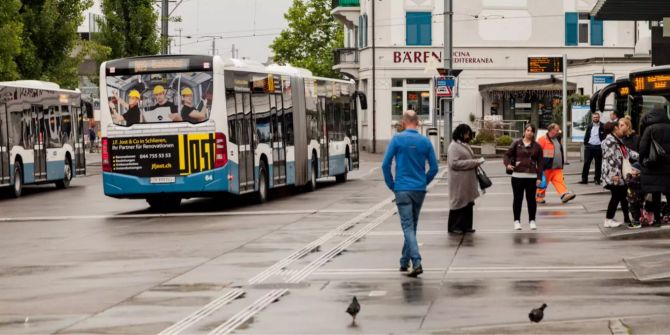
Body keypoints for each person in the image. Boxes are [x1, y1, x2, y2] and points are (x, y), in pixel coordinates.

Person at [382, 110, 438, 278]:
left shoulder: (397, 139)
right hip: (419, 189)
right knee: (412, 226)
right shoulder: (425, 142)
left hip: (402, 188)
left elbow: (385, 165)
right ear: (418, 122)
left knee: (407, 226)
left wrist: (393, 185)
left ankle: (417, 261)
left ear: (404, 122)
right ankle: (404, 261)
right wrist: (424, 182)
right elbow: (434, 168)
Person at [504, 124, 544, 230]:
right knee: (518, 199)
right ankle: (516, 221)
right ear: (524, 131)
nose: (529, 132)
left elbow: (540, 164)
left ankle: (532, 220)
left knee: (531, 200)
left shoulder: (537, 146)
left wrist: (539, 178)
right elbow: (507, 155)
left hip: (532, 177)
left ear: (534, 133)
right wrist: (507, 164)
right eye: (527, 130)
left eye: (531, 131)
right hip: (517, 176)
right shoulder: (517, 143)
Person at [447, 124, 485, 235]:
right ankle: (454, 226)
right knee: (458, 202)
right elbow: (454, 163)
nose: (468, 136)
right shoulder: (453, 146)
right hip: (458, 181)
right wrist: (474, 162)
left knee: (468, 203)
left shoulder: (464, 145)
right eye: (466, 133)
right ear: (460, 133)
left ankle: (466, 226)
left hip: (467, 181)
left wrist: (475, 162)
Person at [601, 118, 639, 228]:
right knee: (616, 196)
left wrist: (640, 156)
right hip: (614, 175)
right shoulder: (609, 141)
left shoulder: (616, 140)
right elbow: (611, 160)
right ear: (615, 129)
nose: (621, 129)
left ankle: (626, 218)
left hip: (618, 175)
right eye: (619, 127)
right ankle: (608, 219)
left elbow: (627, 152)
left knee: (621, 196)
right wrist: (614, 176)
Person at [638, 107, 670, 227]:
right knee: (669, 192)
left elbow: (643, 147)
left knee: (655, 194)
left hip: (653, 166)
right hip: (668, 166)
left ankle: (657, 219)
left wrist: (642, 161)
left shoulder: (649, 129)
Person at [536, 123, 576, 204]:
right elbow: (536, 153)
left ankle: (564, 195)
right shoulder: (542, 139)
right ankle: (539, 197)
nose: (558, 132)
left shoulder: (557, 138)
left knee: (560, 181)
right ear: (551, 130)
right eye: (557, 130)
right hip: (546, 167)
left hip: (557, 167)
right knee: (543, 183)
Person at [580, 112, 605, 184]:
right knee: (586, 163)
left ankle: (597, 179)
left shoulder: (603, 126)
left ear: (599, 118)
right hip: (589, 146)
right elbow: (587, 135)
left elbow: (604, 136)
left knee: (598, 164)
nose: (595, 118)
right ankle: (584, 179)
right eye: (594, 117)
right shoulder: (589, 126)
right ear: (592, 118)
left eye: (597, 117)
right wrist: (586, 143)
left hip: (598, 147)